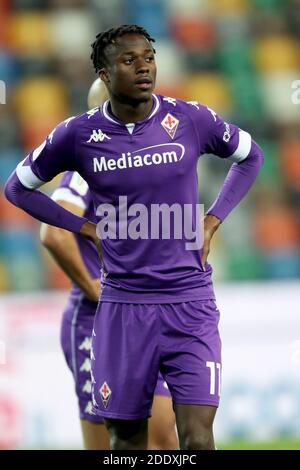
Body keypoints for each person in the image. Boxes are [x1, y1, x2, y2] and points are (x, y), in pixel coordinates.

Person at [5, 25, 264, 450]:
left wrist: (214, 218)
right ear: (104, 76)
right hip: (123, 308)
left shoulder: (189, 118)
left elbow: (250, 155)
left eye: (148, 57)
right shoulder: (79, 135)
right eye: (129, 60)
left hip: (190, 303)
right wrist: (86, 229)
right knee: (125, 443)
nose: (144, 67)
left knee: (196, 440)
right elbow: (17, 187)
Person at [39, 79, 178, 450]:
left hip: (145, 319)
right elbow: (53, 233)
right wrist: (95, 289)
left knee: (163, 439)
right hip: (95, 325)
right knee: (110, 447)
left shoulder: (146, 168)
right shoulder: (89, 170)